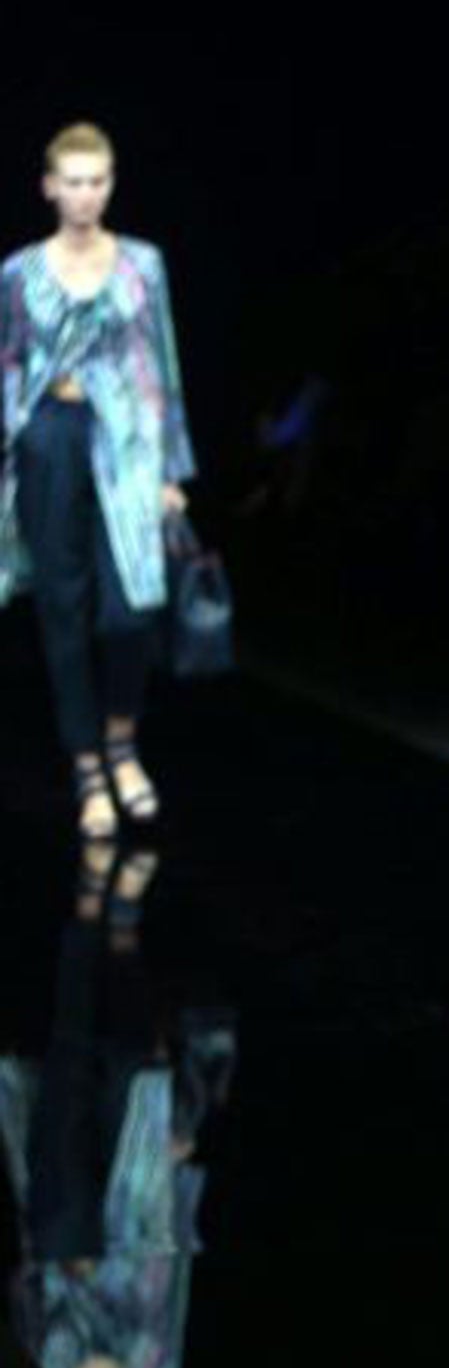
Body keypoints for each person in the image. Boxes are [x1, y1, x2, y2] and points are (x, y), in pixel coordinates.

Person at [0, 120, 196, 840]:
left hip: (127, 441)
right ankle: (88, 765)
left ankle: (122, 739)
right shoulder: (18, 273)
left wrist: (173, 469)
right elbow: (7, 364)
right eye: (74, 182)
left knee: (128, 609)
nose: (86, 195)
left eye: (98, 181)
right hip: (49, 437)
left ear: (111, 184)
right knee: (62, 607)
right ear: (50, 187)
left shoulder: (143, 263)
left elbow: (162, 363)